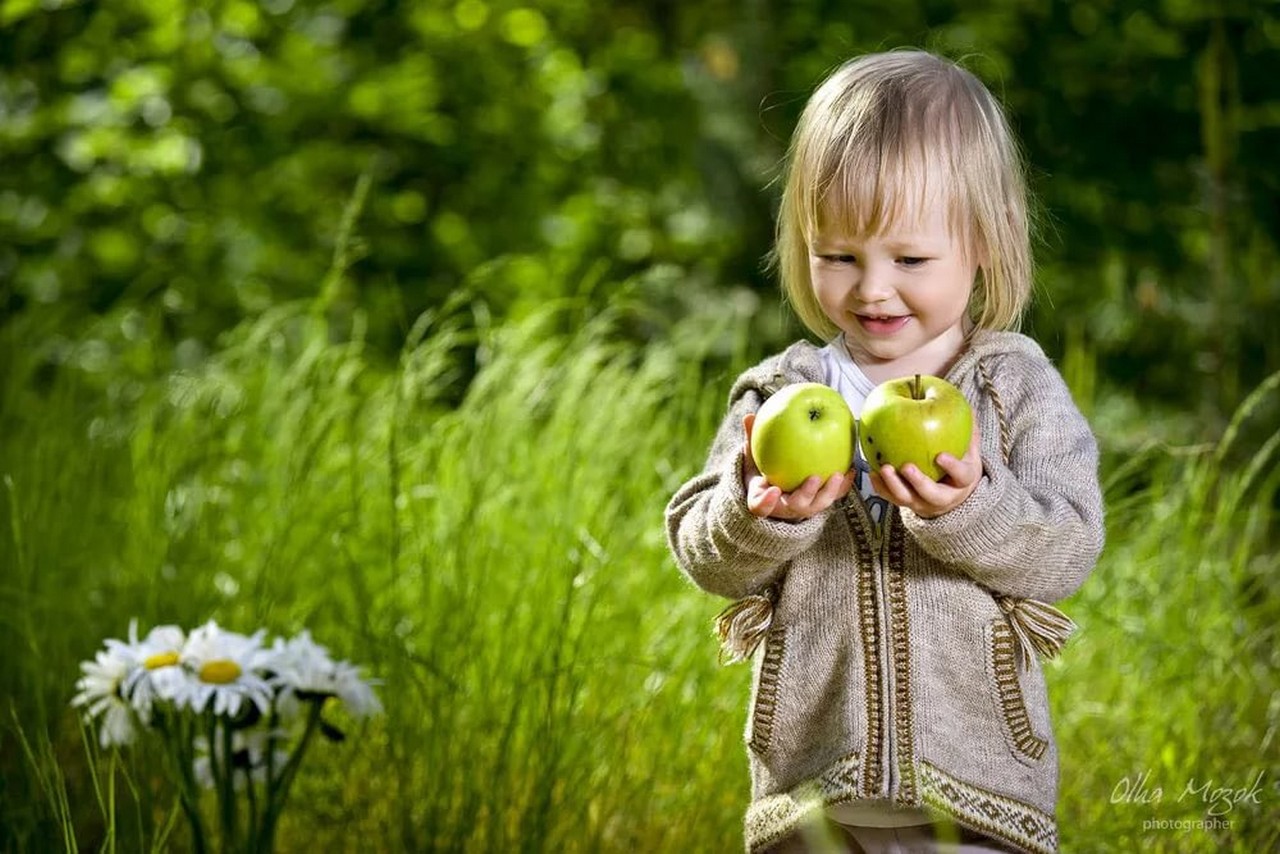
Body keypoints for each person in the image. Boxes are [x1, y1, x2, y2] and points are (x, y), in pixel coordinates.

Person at [664, 50, 1105, 854]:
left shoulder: (1011, 384)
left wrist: (971, 509)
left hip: (977, 801)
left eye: (908, 259)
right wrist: (761, 513)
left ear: (983, 242)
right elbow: (705, 553)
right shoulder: (780, 393)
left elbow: (1067, 546)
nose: (871, 289)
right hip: (810, 795)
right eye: (839, 256)